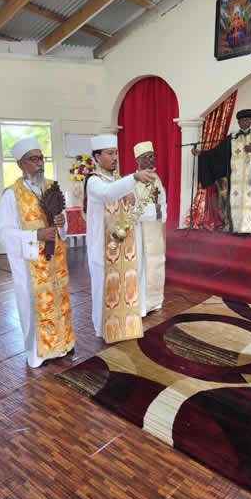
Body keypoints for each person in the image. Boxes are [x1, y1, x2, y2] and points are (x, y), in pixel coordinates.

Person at [0, 136, 75, 368]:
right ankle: (39, 353)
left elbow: (63, 221)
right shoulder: (12, 195)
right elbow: (3, 232)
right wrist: (35, 235)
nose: (39, 163)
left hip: (55, 263)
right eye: (33, 159)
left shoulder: (51, 187)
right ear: (20, 164)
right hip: (31, 264)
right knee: (34, 306)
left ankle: (63, 344)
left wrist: (61, 222)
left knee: (60, 302)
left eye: (41, 158)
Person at [84, 134, 156, 343]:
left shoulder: (118, 180)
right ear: (98, 157)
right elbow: (106, 194)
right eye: (109, 154)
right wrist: (133, 179)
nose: (114, 157)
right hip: (102, 246)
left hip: (122, 247)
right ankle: (102, 329)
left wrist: (132, 200)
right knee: (103, 289)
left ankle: (123, 327)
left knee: (124, 287)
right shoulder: (94, 181)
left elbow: (129, 209)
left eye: (115, 153)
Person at [192, 109, 251, 235]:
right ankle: (236, 229)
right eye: (241, 120)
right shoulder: (232, 138)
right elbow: (217, 153)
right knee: (235, 202)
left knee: (250, 203)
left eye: (247, 120)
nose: (244, 122)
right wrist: (202, 154)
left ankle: (248, 229)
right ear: (238, 122)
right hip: (235, 180)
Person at [132, 141, 167, 314]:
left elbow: (163, 203)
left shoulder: (156, 179)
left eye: (152, 156)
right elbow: (131, 210)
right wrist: (154, 210)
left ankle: (156, 300)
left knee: (156, 264)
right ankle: (143, 304)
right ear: (137, 160)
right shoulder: (132, 181)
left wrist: (161, 214)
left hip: (155, 229)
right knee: (142, 266)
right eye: (146, 157)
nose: (150, 160)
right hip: (140, 231)